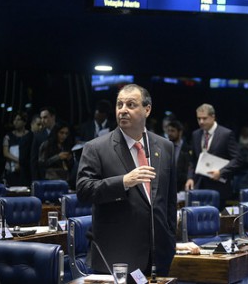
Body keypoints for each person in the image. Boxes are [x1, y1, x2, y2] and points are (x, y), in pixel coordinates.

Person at [76, 84, 177, 276]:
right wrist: (124, 181)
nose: (123, 110)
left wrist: (170, 238)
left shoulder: (165, 147)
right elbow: (84, 190)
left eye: (131, 105)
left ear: (147, 109)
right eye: (119, 104)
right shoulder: (96, 147)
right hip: (116, 255)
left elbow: (169, 201)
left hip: (159, 255)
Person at [185, 103, 242, 206]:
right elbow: (192, 160)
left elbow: (237, 159)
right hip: (199, 186)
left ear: (213, 117)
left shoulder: (226, 134)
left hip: (219, 187)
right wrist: (190, 178)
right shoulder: (196, 134)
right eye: (199, 119)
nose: (201, 122)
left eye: (204, 118)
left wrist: (221, 172)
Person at [2, 111, 33, 186]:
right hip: (11, 168)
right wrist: (18, 161)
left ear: (24, 122)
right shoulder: (8, 136)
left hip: (26, 170)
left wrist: (22, 163)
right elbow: (5, 153)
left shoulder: (30, 135)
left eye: (18, 119)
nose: (15, 122)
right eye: (14, 120)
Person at [30, 106, 57, 180]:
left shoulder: (62, 132)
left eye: (45, 117)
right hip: (43, 176)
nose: (42, 120)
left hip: (60, 175)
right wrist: (35, 180)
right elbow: (34, 160)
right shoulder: (38, 136)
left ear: (53, 117)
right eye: (41, 118)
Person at [167, 120, 191, 191]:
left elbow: (188, 169)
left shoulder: (187, 149)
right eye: (169, 131)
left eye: (173, 131)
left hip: (182, 187)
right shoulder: (165, 147)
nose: (170, 133)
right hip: (167, 185)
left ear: (180, 132)